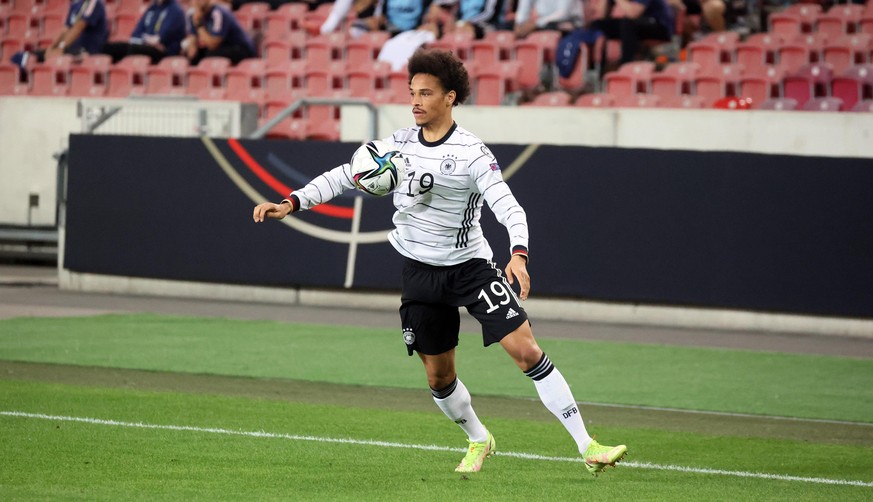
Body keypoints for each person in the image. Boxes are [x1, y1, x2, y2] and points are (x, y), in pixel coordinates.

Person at [252, 48, 628, 476]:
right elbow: (343, 175)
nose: (415, 101)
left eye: (425, 93)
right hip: (419, 272)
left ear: (450, 97)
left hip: (471, 269)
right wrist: (292, 202)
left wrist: (518, 253)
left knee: (526, 352)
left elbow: (509, 208)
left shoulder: (472, 153)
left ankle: (588, 446)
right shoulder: (396, 146)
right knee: (438, 378)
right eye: (412, 92)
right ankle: (478, 438)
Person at [10, 0, 108, 69]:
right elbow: (66, 29)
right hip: (70, 47)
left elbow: (78, 27)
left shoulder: (94, 3)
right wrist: (52, 48)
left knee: (57, 57)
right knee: (19, 57)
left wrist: (60, 47)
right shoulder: (76, 4)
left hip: (89, 49)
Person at [590, 0, 674, 65]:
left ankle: (626, 64)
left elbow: (633, 14)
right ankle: (597, 70)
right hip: (636, 25)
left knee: (627, 23)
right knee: (598, 25)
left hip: (659, 25)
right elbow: (602, 16)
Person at [102, 0, 187, 64]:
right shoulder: (152, 8)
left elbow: (161, 38)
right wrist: (147, 40)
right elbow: (136, 33)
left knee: (133, 49)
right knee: (108, 48)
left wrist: (151, 40)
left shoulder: (175, 10)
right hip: (146, 45)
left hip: (165, 52)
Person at [182, 0, 256, 65]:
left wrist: (199, 25)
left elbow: (213, 44)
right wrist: (191, 47)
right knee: (193, 57)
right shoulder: (191, 15)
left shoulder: (219, 13)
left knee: (209, 55)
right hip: (222, 47)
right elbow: (192, 40)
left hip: (240, 48)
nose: (198, 1)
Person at [513, 0, 585, 38]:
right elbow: (523, 10)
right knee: (505, 27)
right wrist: (519, 24)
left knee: (554, 26)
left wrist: (536, 24)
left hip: (570, 22)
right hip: (543, 23)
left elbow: (563, 13)